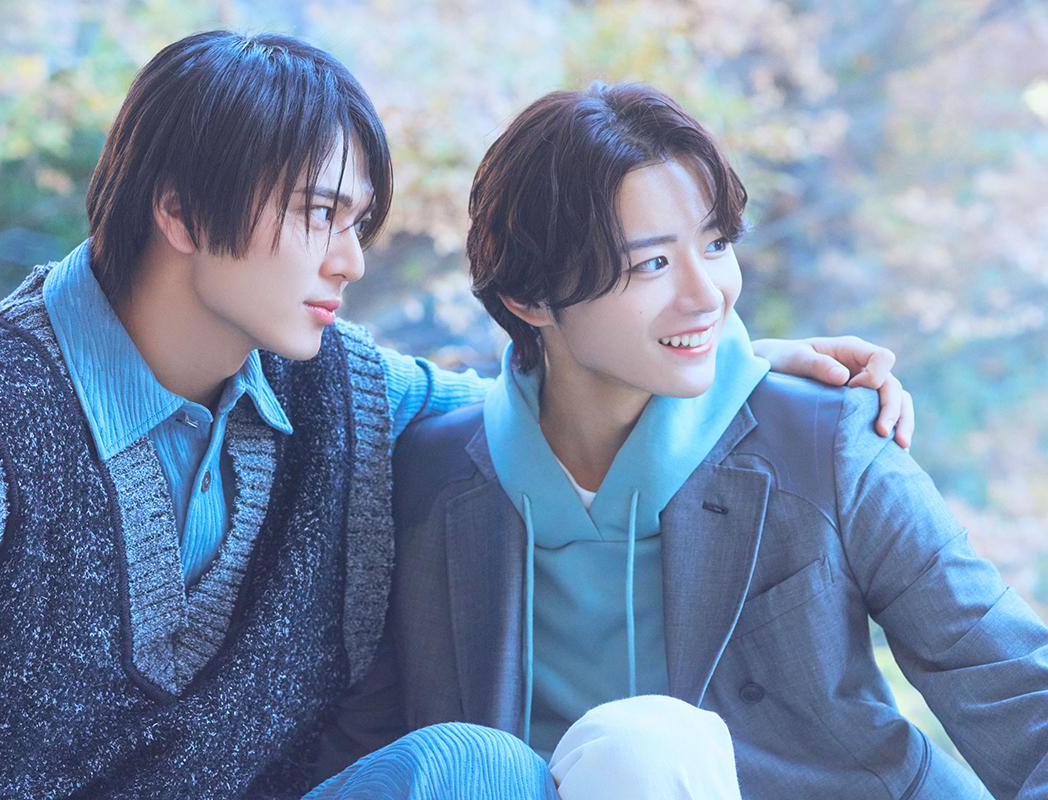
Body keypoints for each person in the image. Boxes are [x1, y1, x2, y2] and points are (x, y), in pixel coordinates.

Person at [0, 32, 911, 799]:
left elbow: (536, 405)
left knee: (477, 768)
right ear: (177, 210)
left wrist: (729, 365)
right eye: (321, 216)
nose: (350, 261)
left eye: (358, 223)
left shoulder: (335, 385)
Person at [364, 83, 1048, 799]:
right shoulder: (426, 480)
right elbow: (370, 749)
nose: (707, 296)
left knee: (644, 744)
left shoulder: (824, 437)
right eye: (653, 264)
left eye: (716, 244)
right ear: (528, 298)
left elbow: (1014, 685)